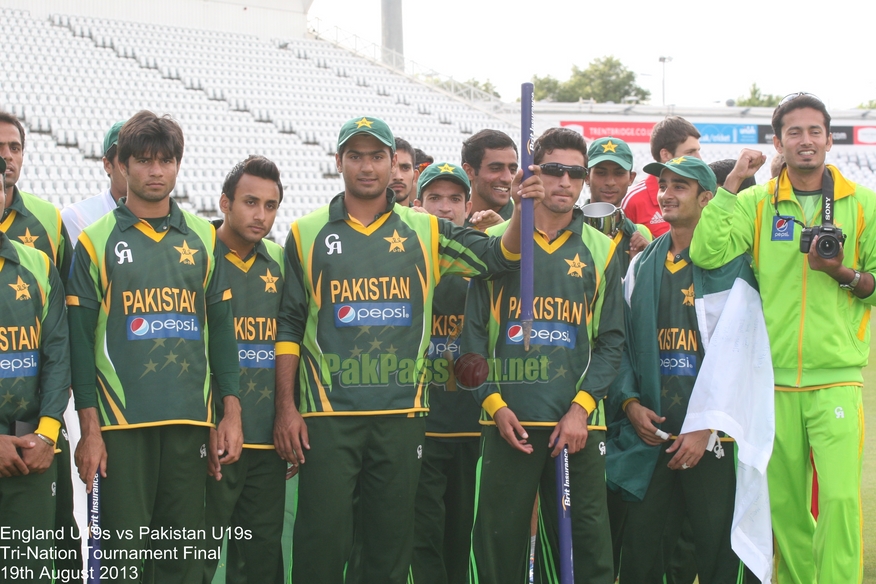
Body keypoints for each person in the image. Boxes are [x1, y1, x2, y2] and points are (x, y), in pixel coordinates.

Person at [274, 114, 543, 584]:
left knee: (390, 547)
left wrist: (521, 209)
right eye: (355, 155)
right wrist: (286, 408)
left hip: (402, 415)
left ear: (395, 165)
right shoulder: (306, 232)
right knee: (322, 543)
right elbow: (289, 328)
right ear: (339, 161)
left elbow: (499, 258)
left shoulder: (424, 230)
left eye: (377, 156)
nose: (367, 166)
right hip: (327, 416)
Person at [690, 93, 876, 584]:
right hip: (771, 383)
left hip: (835, 379)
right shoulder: (755, 201)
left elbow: (873, 284)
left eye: (815, 130)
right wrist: (732, 183)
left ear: (829, 139)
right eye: (794, 132)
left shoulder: (864, 203)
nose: (806, 140)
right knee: (787, 509)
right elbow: (708, 254)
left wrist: (839, 271)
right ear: (778, 142)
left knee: (838, 500)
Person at [66, 110, 242, 584]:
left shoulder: (205, 238)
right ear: (122, 166)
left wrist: (229, 412)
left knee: (181, 566)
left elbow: (222, 333)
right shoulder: (94, 242)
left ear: (178, 165)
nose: (155, 171)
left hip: (189, 425)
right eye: (143, 161)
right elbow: (79, 346)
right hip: (121, 427)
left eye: (165, 160)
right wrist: (90, 429)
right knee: (124, 566)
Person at [461, 127, 624, 584]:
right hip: (508, 424)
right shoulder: (497, 243)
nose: (565, 182)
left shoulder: (602, 250)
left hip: (577, 428)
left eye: (576, 173)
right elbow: (470, 344)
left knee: (586, 555)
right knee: (497, 550)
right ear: (534, 173)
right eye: (554, 170)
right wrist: (494, 406)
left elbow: (612, 343)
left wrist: (581, 409)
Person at [608, 156, 765, 584]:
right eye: (663, 185)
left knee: (721, 553)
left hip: (714, 438)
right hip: (653, 433)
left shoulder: (733, 266)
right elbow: (617, 341)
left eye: (680, 185)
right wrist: (630, 401)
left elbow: (742, 355)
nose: (666, 193)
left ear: (707, 198)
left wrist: (706, 425)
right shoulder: (642, 264)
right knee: (642, 553)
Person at [0, 109, 79, 579]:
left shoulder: (43, 238)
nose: (6, 158)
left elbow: (58, 343)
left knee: (37, 561)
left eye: (13, 148)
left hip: (35, 435)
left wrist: (49, 429)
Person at [203, 155, 287, 584]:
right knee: (194, 559)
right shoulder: (197, 254)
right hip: (209, 439)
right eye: (250, 202)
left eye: (270, 206)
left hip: (267, 442)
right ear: (224, 203)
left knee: (259, 562)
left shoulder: (281, 263)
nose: (260, 215)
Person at [409, 162, 481, 584]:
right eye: (434, 198)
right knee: (424, 537)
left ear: (468, 206)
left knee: (464, 535)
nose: (444, 208)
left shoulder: (482, 261)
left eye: (454, 199)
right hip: (420, 424)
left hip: (474, 424)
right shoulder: (400, 259)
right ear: (417, 204)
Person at [621, 116, 701, 238]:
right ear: (666, 155)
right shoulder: (634, 201)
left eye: (697, 151)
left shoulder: (702, 194)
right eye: (690, 153)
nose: (698, 158)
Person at [584, 136, 652, 272]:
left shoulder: (641, 233)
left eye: (619, 173)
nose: (610, 182)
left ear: (631, 178)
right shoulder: (570, 226)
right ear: (586, 176)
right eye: (601, 173)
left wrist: (647, 261)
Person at [62, 120, 127, 244]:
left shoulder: (170, 219)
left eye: (142, 159)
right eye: (125, 158)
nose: (133, 166)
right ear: (107, 165)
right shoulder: (76, 217)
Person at [462, 129, 517, 230]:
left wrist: (502, 231)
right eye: (496, 169)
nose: (508, 178)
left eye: (513, 170)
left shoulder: (527, 221)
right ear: (469, 171)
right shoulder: (449, 219)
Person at [389, 137, 419, 206]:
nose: (398, 177)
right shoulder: (361, 216)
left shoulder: (423, 217)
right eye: (391, 167)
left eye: (405, 168)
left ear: (415, 176)